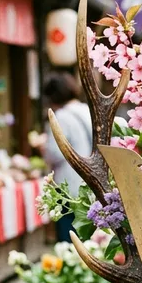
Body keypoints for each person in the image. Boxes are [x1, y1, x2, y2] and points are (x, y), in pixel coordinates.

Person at [42, 72, 93, 243]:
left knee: (69, 240)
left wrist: (41, 147)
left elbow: (53, 153)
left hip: (69, 187)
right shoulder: (86, 110)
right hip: (90, 184)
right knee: (89, 239)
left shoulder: (62, 117)